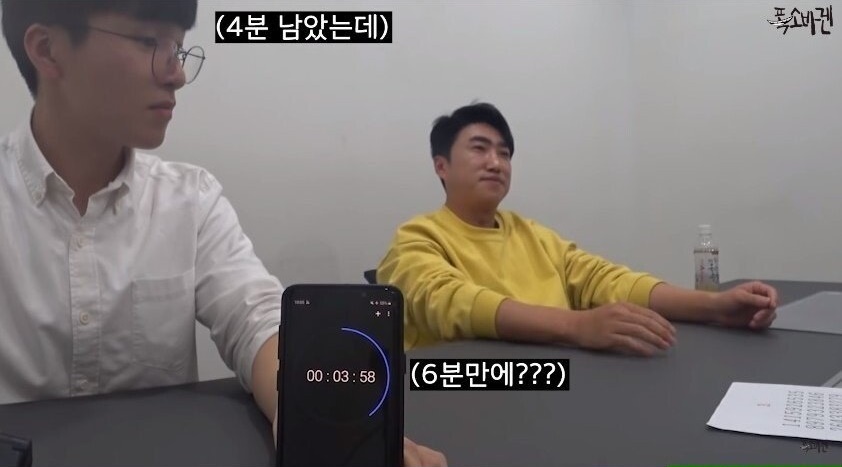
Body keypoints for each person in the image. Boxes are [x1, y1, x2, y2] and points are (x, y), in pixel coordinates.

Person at [0, 1, 445, 465]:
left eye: (178, 49)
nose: (176, 75)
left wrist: (314, 423)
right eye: (149, 42)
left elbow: (255, 319)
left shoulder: (189, 200)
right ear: (47, 49)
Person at [377, 102, 778, 354]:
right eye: (480, 149)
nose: (496, 163)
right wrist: (578, 326)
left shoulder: (531, 234)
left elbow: (605, 280)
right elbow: (453, 303)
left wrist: (713, 307)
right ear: (441, 165)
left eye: (505, 153)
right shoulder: (416, 239)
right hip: (467, 400)